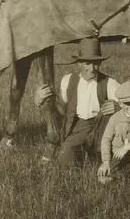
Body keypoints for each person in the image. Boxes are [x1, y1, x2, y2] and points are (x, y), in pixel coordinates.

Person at [34, 36, 120, 166]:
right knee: (64, 161)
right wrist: (40, 100)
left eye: (96, 63)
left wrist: (118, 106)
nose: (92, 68)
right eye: (87, 63)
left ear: (100, 63)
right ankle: (79, 151)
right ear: (79, 63)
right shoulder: (68, 80)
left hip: (100, 126)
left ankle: (97, 155)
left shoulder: (110, 83)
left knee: (105, 159)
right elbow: (61, 110)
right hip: (77, 127)